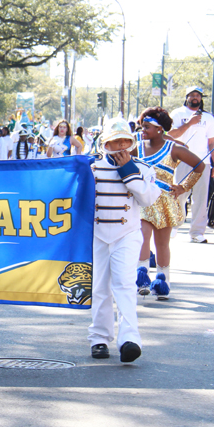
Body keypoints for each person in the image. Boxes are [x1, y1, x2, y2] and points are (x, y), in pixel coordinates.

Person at [88, 118, 160, 363]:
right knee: (99, 288)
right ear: (104, 142)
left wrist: (130, 173)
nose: (119, 145)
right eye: (114, 140)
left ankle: (130, 339)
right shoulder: (91, 167)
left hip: (127, 233)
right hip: (96, 233)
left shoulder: (142, 167)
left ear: (131, 142)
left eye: (124, 140)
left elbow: (149, 199)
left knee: (125, 286)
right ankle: (99, 338)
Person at [134, 108, 205, 300]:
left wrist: (183, 187)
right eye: (142, 126)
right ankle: (141, 280)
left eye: (147, 127)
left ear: (159, 129)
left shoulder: (174, 149)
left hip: (164, 201)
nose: (143, 130)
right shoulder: (136, 147)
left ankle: (163, 283)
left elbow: (200, 165)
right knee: (142, 236)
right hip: (142, 200)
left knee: (162, 244)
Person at [169, 87, 214, 243]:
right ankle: (173, 225)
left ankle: (197, 232)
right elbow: (171, 135)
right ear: (187, 97)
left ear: (201, 98)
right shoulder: (178, 114)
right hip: (181, 160)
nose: (195, 98)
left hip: (203, 162)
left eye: (198, 95)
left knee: (200, 198)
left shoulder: (208, 118)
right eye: (192, 95)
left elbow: (212, 142)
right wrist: (190, 123)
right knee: (178, 194)